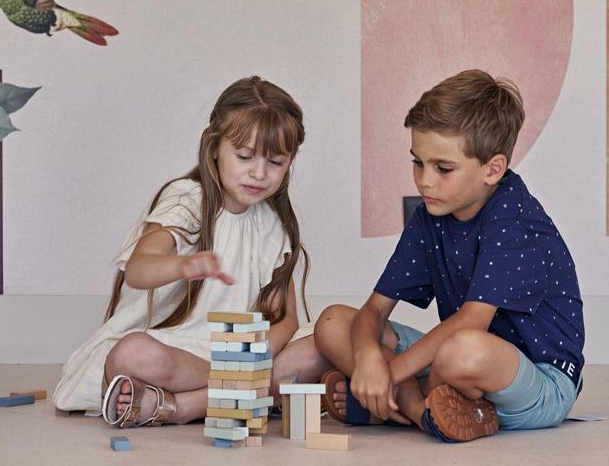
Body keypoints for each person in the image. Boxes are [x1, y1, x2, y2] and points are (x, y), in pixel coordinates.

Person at [314, 69, 584, 442]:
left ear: (493, 169)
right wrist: (368, 359)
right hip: (451, 363)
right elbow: (374, 310)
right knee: (333, 323)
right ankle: (424, 409)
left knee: (462, 350)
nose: (425, 180)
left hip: (539, 379)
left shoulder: (513, 218)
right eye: (417, 162)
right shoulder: (431, 214)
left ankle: (399, 403)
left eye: (443, 168)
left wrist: (386, 375)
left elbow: (472, 322)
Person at [53, 75, 327, 427]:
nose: (259, 173)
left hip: (238, 356)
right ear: (214, 147)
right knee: (133, 354)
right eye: (244, 156)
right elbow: (138, 270)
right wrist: (184, 265)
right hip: (175, 350)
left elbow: (285, 319)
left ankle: (181, 406)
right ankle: (231, 396)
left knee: (321, 345)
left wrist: (251, 361)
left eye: (276, 162)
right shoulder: (186, 199)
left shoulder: (272, 222)